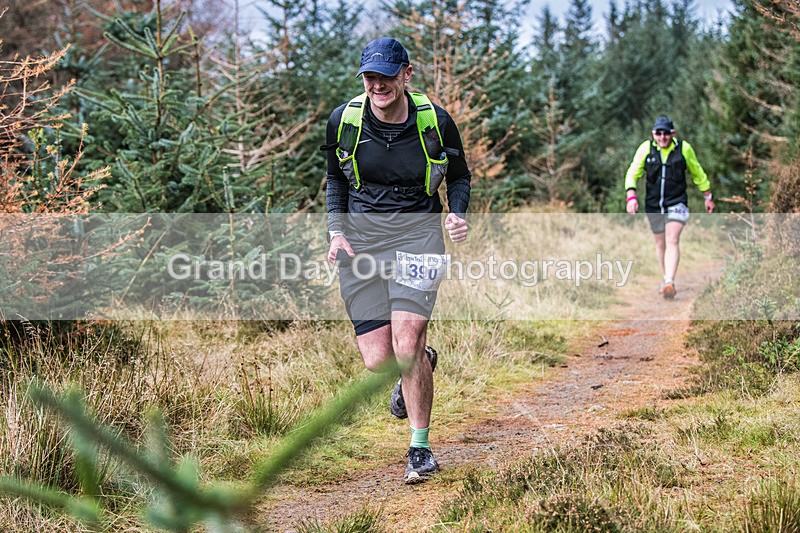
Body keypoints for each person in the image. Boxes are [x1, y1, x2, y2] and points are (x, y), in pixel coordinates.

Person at [323, 37, 471, 483]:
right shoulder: (343, 121)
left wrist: (457, 214)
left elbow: (460, 176)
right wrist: (335, 231)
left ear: (406, 74)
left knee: (405, 344)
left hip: (418, 238)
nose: (378, 85)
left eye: (386, 76)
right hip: (362, 247)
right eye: (370, 76)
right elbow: (335, 179)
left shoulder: (435, 122)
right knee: (379, 360)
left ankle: (420, 448)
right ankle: (421, 358)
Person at [624, 115, 715, 299]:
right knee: (660, 243)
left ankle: (669, 281)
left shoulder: (684, 149)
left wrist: (707, 196)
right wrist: (631, 197)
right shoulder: (646, 149)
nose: (662, 137)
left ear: (673, 133)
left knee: (672, 238)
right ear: (653, 134)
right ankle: (666, 279)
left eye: (666, 133)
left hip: (677, 202)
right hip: (654, 204)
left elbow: (698, 173)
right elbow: (633, 172)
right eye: (659, 133)